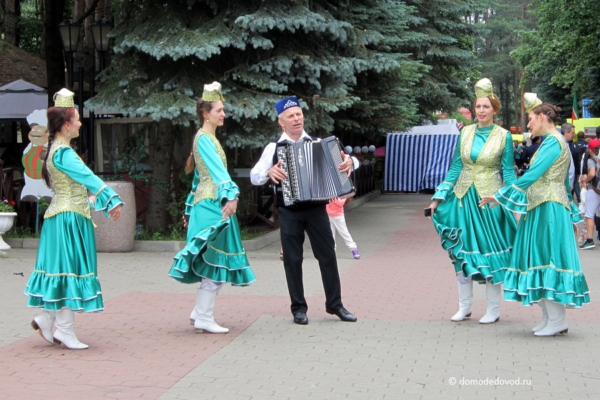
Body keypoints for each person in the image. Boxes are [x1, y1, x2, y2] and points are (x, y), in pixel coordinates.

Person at [24, 88, 124, 350]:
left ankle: (47, 319)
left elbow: (74, 186)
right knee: (70, 271)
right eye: (77, 118)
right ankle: (65, 331)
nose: (81, 122)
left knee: (60, 269)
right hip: (68, 220)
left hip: (62, 216)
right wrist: (111, 198)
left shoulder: (57, 150)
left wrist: (92, 200)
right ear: (67, 125)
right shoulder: (64, 153)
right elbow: (88, 177)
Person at [480, 102, 590, 336]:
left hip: (548, 208)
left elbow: (532, 175)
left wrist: (500, 196)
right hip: (543, 206)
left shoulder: (552, 142)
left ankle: (558, 320)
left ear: (541, 117)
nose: (528, 124)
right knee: (539, 258)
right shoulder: (552, 142)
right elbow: (560, 181)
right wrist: (571, 208)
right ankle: (550, 318)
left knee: (547, 257)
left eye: (530, 119)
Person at [250, 96, 357, 325]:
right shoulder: (274, 148)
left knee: (327, 255)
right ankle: (298, 308)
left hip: (317, 208)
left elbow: (349, 162)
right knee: (292, 259)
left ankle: (335, 304)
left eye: (299, 114)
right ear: (282, 122)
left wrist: (350, 162)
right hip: (289, 211)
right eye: (291, 116)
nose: (297, 118)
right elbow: (254, 176)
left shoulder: (320, 144)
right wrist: (269, 172)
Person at [427, 78, 517, 324]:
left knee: (489, 254)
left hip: (489, 203)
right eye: (478, 106)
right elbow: (455, 168)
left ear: (494, 109)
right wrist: (438, 198)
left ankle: (493, 310)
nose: (481, 111)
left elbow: (508, 172)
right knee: (462, 254)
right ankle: (464, 306)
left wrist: (511, 199)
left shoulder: (504, 136)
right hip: (462, 201)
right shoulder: (465, 132)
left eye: (486, 107)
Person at [168, 82, 256, 333]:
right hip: (211, 205)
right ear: (206, 113)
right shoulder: (205, 139)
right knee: (215, 259)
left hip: (208, 203)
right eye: (219, 110)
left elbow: (198, 178)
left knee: (217, 260)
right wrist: (231, 194)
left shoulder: (207, 139)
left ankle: (200, 312)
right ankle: (204, 316)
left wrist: (188, 208)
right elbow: (217, 173)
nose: (223, 114)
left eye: (223, 110)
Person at [579, 141, 600, 249]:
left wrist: (585, 180)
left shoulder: (591, 160)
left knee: (590, 214)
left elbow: (592, 173)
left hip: (595, 190)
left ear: (590, 150)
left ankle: (590, 240)